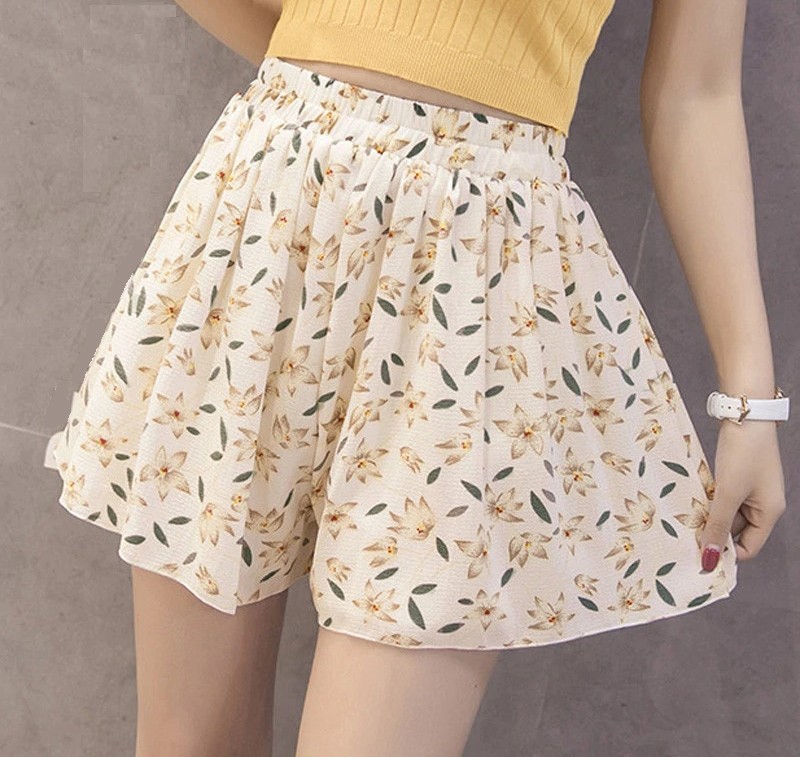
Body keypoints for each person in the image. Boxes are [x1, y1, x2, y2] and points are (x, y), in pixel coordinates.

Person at [46, 1, 790, 755]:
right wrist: (336, 68)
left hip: (479, 275)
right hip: (272, 212)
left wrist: (751, 400)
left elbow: (698, 92)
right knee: (189, 743)